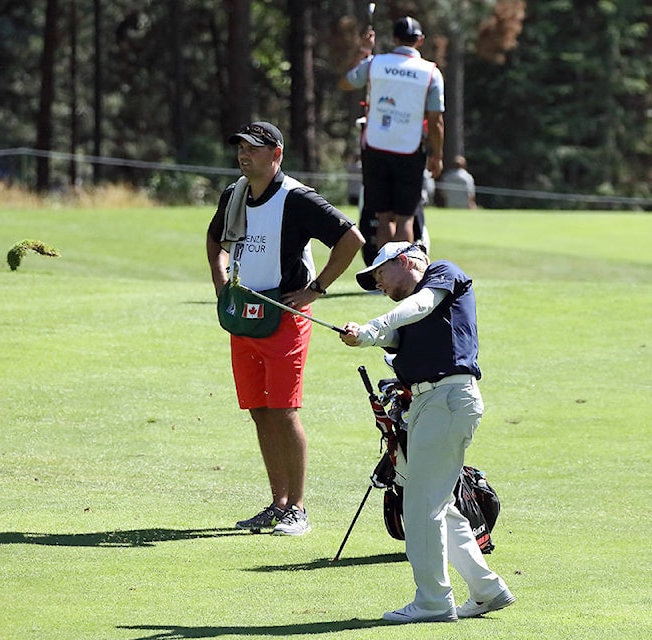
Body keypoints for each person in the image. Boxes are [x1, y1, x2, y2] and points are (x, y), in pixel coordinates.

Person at [339, 242, 514, 623]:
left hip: (448, 399)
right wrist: (364, 336)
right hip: (427, 405)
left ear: (407, 261)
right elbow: (396, 339)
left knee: (419, 506)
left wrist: (376, 325)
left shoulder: (442, 275)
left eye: (381, 274)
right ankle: (487, 589)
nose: (379, 284)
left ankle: (433, 601)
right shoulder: (410, 315)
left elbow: (418, 306)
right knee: (439, 506)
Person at [207, 122, 364, 536]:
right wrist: (221, 283)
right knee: (259, 410)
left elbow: (351, 239)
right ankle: (277, 503)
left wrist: (316, 290)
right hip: (244, 314)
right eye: (240, 147)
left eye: (253, 148)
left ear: (276, 153)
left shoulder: (297, 198)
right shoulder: (234, 193)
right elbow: (214, 240)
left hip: (285, 315)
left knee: (284, 409)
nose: (244, 155)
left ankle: (298, 508)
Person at [339, 16, 445, 250]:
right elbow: (436, 121)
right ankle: (403, 280)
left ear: (395, 38)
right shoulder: (430, 73)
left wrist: (364, 50)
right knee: (406, 217)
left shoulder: (375, 63)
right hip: (410, 149)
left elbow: (346, 83)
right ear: (420, 40)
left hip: (376, 146)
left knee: (384, 216)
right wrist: (437, 155)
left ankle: (383, 278)